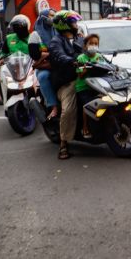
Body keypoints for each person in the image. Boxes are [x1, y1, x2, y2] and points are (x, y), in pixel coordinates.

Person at [49, 10, 84, 160]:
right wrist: (71, 60)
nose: (76, 25)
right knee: (68, 110)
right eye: (73, 22)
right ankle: (63, 144)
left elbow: (91, 51)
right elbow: (58, 55)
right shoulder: (56, 41)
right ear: (65, 25)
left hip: (83, 76)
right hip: (67, 81)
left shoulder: (79, 38)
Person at [28, 9, 58, 120]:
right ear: (43, 17)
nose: (53, 18)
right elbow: (35, 55)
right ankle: (53, 106)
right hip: (45, 66)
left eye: (54, 16)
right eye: (51, 16)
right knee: (43, 76)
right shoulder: (35, 35)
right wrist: (49, 54)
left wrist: (46, 53)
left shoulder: (57, 30)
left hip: (59, 63)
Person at [75, 34, 104, 136]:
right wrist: (88, 66)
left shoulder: (99, 57)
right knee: (88, 106)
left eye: (96, 44)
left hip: (98, 86)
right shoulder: (81, 58)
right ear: (85, 46)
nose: (93, 46)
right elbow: (80, 75)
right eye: (91, 43)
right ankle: (85, 128)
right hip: (84, 88)